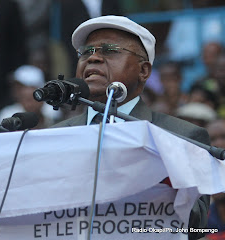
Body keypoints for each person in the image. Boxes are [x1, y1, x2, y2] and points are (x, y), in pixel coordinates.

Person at [51, 15, 210, 240]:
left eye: (109, 50)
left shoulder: (182, 136)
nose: (93, 58)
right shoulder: (54, 138)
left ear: (144, 70)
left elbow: (198, 225)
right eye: (86, 52)